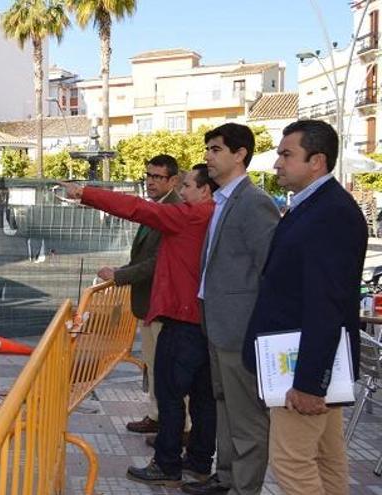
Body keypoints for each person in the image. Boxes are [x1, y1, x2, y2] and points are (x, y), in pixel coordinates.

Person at [63, 165, 218, 487]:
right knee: (202, 398)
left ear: (205, 191)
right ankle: (200, 460)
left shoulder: (189, 215)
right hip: (204, 319)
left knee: (170, 393)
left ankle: (167, 463)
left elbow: (135, 208)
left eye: (188, 186)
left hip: (180, 318)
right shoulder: (217, 216)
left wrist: (85, 193)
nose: (184, 193)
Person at [243, 119, 367, 495]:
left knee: (292, 462)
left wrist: (310, 382)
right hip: (309, 361)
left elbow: (326, 302)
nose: (277, 163)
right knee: (328, 460)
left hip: (305, 367)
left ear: (317, 161)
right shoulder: (314, 206)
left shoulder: (330, 213)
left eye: (286, 154)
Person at [185, 123, 280, 495]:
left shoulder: (254, 202)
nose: (208, 156)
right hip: (218, 325)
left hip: (241, 330)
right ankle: (225, 478)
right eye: (208, 149)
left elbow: (269, 269)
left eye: (216, 149)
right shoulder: (225, 200)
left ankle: (244, 487)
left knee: (247, 419)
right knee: (224, 408)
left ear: (240, 154)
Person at [96, 155, 183, 437]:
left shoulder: (174, 210)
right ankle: (157, 416)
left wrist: (120, 276)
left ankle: (177, 427)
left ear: (173, 181)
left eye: (158, 177)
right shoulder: (156, 208)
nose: (151, 181)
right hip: (148, 303)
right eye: (148, 175)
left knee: (166, 369)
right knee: (153, 364)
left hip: (162, 304)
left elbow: (158, 262)